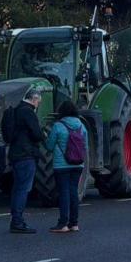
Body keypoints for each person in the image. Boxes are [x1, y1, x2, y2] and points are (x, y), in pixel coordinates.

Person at [0, 88, 44, 233]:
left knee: (17, 188)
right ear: (34, 99)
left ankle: (16, 219)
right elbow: (37, 134)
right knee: (23, 189)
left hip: (15, 154)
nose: (38, 105)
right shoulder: (28, 112)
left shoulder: (15, 111)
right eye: (38, 102)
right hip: (26, 154)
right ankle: (18, 221)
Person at [47, 99, 88, 234]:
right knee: (73, 192)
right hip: (78, 164)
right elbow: (85, 147)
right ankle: (74, 223)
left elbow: (49, 146)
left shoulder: (58, 126)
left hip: (61, 165)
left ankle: (63, 224)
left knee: (64, 193)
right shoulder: (82, 126)